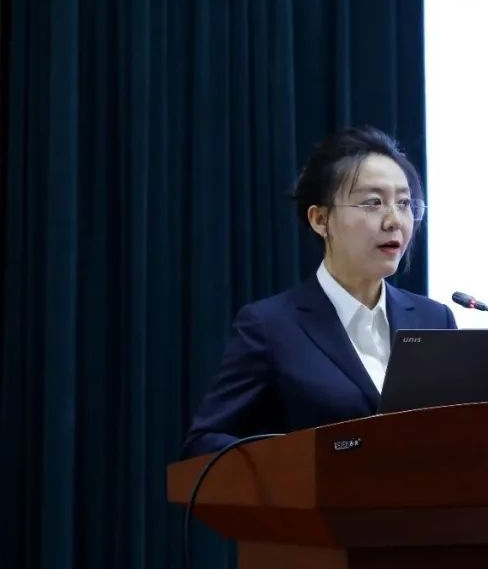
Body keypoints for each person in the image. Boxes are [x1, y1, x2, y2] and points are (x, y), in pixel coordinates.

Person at [182, 126, 457, 456]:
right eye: (373, 203)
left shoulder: (434, 319)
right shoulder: (270, 327)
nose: (394, 221)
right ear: (320, 219)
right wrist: (298, 461)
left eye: (404, 203)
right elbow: (204, 443)